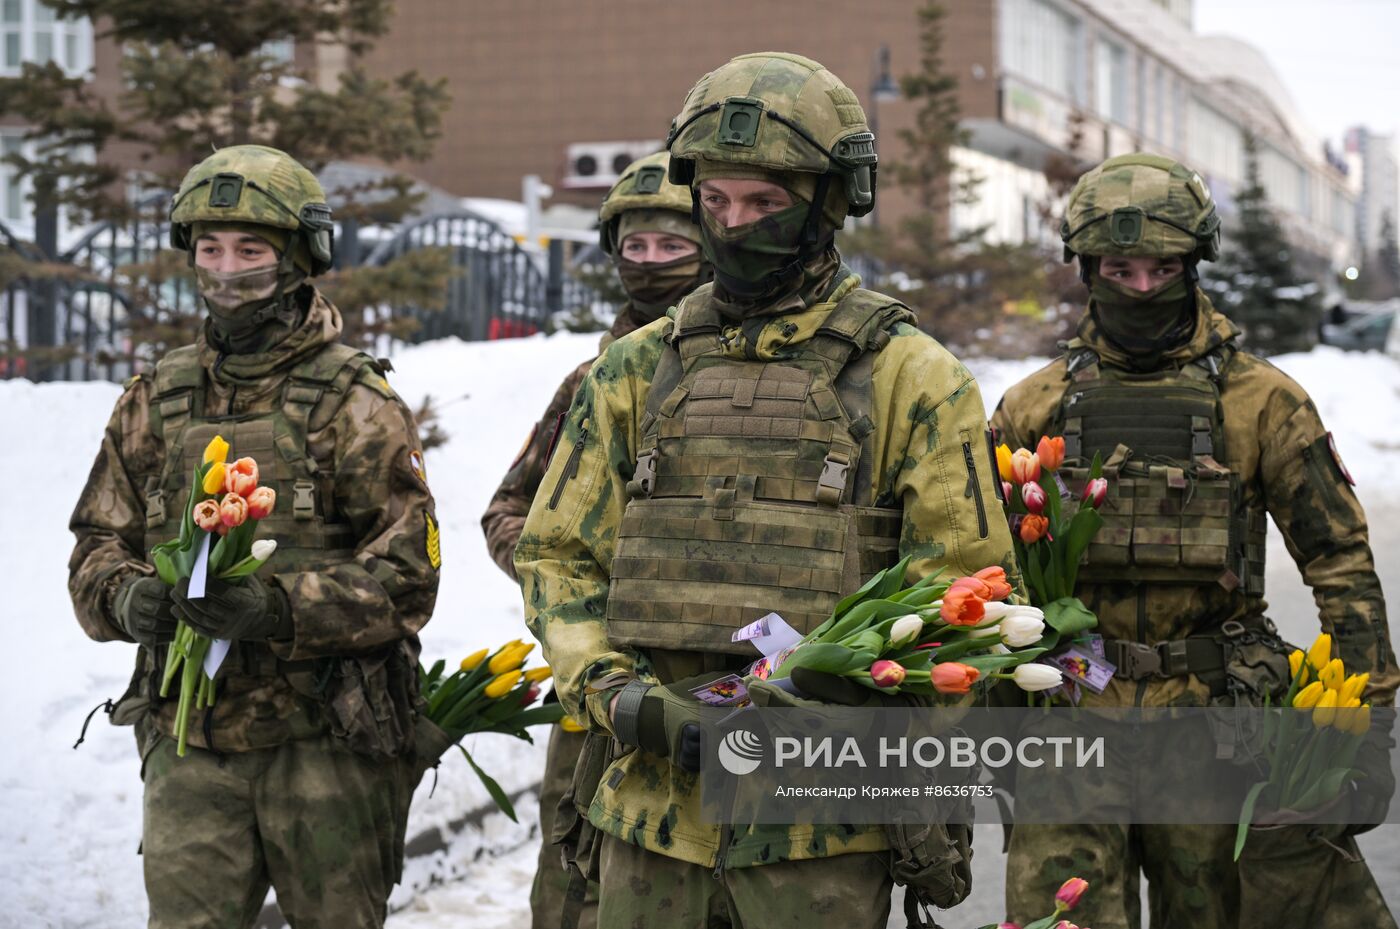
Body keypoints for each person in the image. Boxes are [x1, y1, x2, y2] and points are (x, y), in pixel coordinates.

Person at [515, 52, 1016, 928]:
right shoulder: (635, 369)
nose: (733, 225)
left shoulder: (913, 377)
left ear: (827, 204)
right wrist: (620, 697)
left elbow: (962, 593)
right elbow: (556, 553)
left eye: (764, 204)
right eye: (715, 201)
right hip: (647, 822)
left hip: (819, 839)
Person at [991, 152, 1397, 928]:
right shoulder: (1032, 405)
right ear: (1086, 266)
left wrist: (1370, 732)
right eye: (1120, 267)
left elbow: (1340, 561)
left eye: (1163, 267)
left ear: (1195, 263)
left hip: (1217, 724)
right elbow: (982, 571)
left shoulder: (1263, 402)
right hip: (1073, 719)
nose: (1142, 288)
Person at [68, 144, 441, 929]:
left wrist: (275, 608)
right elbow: (96, 543)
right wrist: (130, 598)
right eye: (209, 248)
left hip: (327, 742)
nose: (226, 269)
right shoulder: (157, 398)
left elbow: (409, 574)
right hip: (191, 741)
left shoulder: (354, 402)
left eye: (251, 250)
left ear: (300, 259)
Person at [480, 149, 709, 929]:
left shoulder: (772, 378)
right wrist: (579, 590)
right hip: (601, 693)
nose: (650, 264)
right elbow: (510, 514)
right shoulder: (590, 381)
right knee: (575, 891)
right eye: (634, 247)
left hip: (731, 689)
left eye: (671, 246)